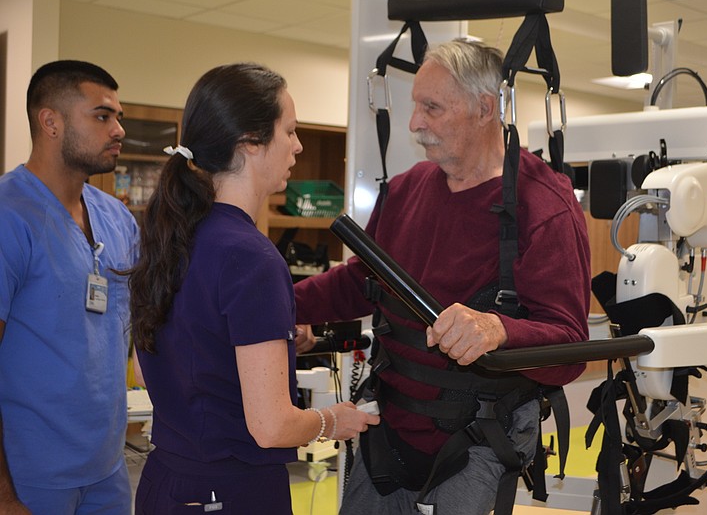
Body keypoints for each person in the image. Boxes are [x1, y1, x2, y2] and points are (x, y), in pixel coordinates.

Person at [294, 39, 591, 515]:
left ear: (484, 108)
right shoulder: (408, 189)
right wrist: (277, 305)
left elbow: (569, 346)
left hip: (478, 435)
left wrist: (498, 329)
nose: (415, 124)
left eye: (431, 107)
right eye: (415, 106)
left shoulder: (544, 205)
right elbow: (359, 283)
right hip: (389, 426)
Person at [128, 63, 379, 515]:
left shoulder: (171, 237)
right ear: (250, 143)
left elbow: (157, 366)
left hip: (165, 483)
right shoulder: (251, 257)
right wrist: (332, 421)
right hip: (228, 492)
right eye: (290, 131)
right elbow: (271, 426)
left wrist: (272, 348)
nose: (298, 146)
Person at [0, 60, 137, 514]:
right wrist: (4, 495)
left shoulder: (116, 218)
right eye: (102, 116)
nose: (118, 130)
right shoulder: (9, 216)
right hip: (30, 479)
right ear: (50, 122)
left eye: (118, 117)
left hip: (108, 471)